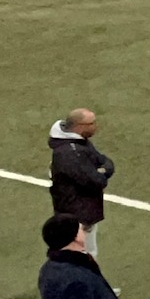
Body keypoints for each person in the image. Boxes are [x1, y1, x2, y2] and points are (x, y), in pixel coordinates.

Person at [49, 109, 114, 261]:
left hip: (83, 210)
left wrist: (101, 171)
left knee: (87, 254)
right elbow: (96, 181)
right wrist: (101, 173)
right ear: (79, 126)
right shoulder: (70, 154)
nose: (95, 126)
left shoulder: (79, 143)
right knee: (81, 256)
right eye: (91, 123)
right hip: (76, 214)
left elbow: (105, 162)